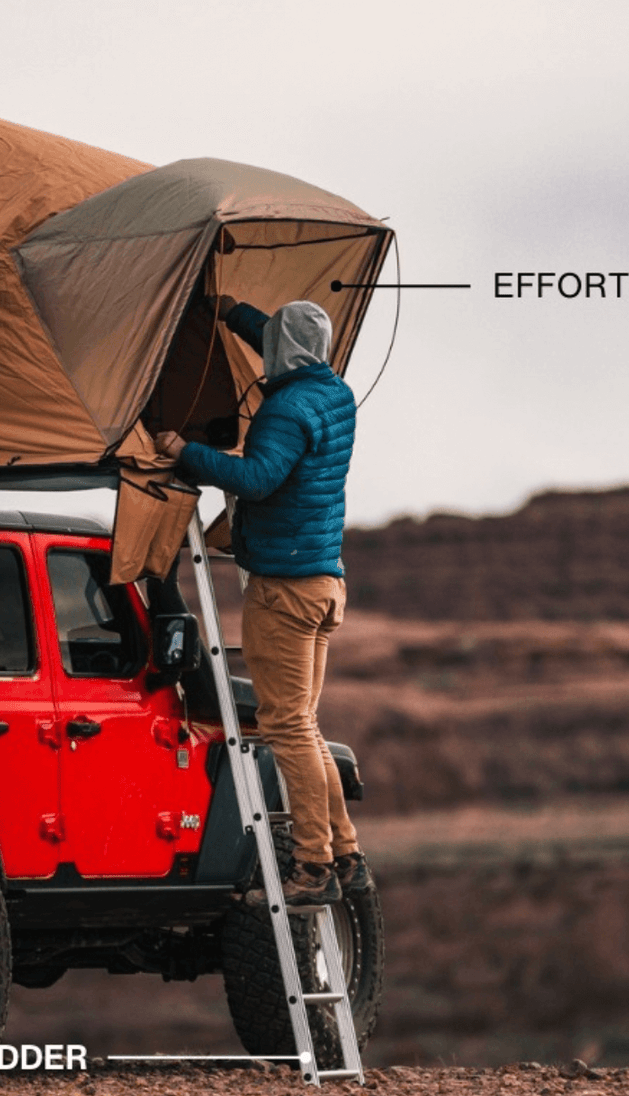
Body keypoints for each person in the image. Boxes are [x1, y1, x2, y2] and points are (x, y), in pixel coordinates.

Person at [156, 296, 371, 906]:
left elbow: (256, 478)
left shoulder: (284, 411)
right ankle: (345, 851)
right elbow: (285, 339)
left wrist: (183, 453)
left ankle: (313, 867)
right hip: (325, 584)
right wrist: (232, 310)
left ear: (282, 352)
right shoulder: (334, 394)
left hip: (283, 590)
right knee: (304, 723)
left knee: (283, 726)